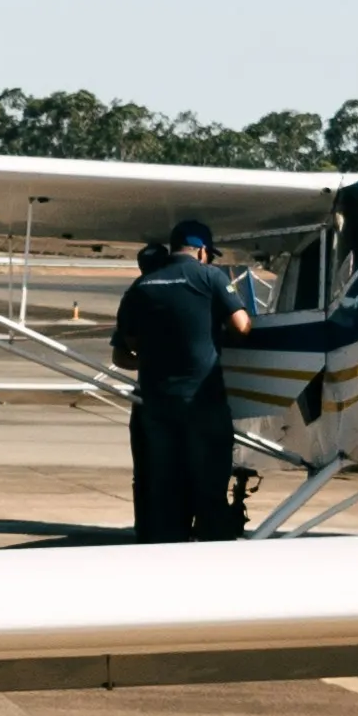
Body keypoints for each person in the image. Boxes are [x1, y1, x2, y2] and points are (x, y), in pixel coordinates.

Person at [106, 217, 250, 541]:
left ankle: (167, 556)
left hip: (155, 407)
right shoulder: (210, 277)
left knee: (163, 492)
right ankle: (212, 554)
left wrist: (158, 359)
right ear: (200, 252)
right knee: (210, 488)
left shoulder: (139, 287)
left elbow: (121, 354)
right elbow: (242, 325)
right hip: (203, 403)